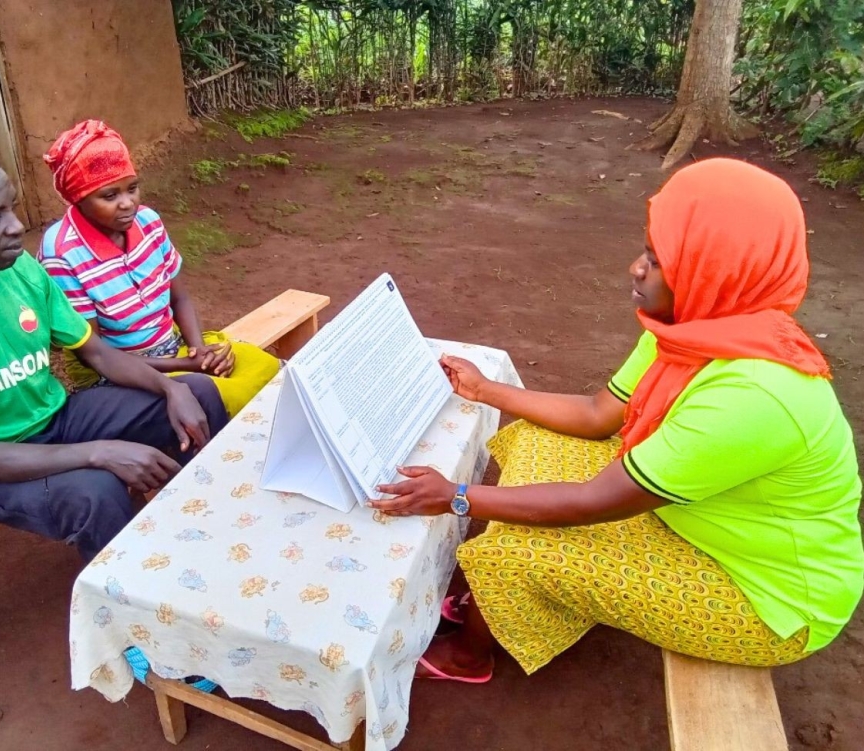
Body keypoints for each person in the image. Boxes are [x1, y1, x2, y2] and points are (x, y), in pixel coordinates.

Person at [370, 158, 863, 682]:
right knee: (538, 440)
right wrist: (485, 389)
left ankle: (470, 657)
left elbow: (587, 504)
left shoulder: (756, 396)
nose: (636, 267)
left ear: (717, 267)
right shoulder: (692, 328)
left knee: (516, 550)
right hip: (709, 522)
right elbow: (597, 414)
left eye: (659, 258)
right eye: (647, 250)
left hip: (766, 598)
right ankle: (504, 604)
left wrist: (456, 496)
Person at [0, 140, 229, 561]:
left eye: (11, 207)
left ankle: (210, 525)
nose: (17, 226)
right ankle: (135, 603)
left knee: (197, 393)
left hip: (55, 418)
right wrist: (98, 452)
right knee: (96, 490)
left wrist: (172, 390)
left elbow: (97, 353)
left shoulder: (17, 267)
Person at [36, 120, 279, 417]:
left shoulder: (148, 222)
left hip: (173, 347)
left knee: (266, 367)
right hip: (117, 374)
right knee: (223, 396)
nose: (127, 204)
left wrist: (199, 351)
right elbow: (95, 356)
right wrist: (185, 366)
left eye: (132, 189)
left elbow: (180, 299)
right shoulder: (62, 253)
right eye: (110, 196)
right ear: (78, 198)